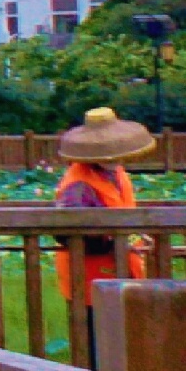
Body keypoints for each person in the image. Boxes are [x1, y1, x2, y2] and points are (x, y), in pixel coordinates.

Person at [46, 105, 153, 330]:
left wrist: (133, 235)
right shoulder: (77, 185)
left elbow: (121, 210)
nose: (114, 156)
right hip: (90, 277)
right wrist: (117, 240)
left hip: (119, 271)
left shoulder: (115, 172)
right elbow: (67, 231)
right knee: (98, 342)